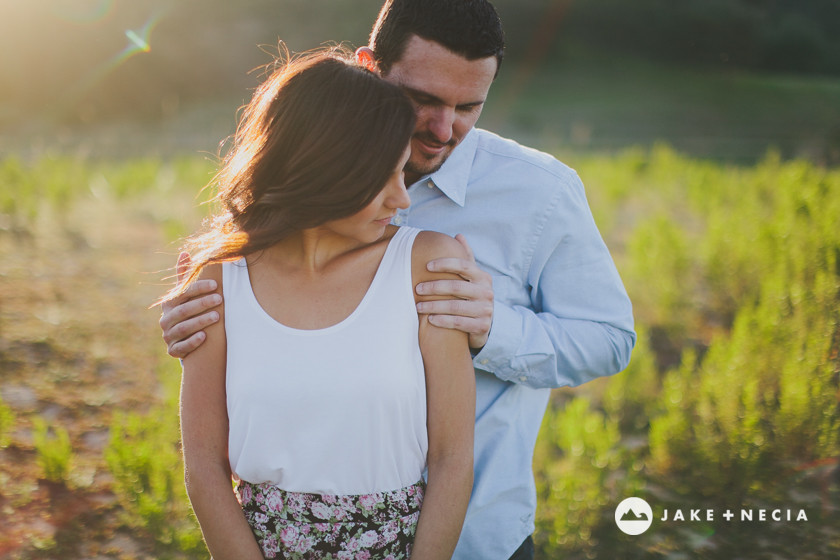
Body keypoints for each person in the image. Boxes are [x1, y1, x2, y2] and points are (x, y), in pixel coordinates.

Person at [160, 1, 636, 558]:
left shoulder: (539, 193)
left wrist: (490, 329)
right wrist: (196, 318)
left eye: (469, 107)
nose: (442, 129)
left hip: (478, 534)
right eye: (424, 101)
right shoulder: (304, 167)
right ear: (369, 67)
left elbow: (610, 339)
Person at [168, 49, 476, 559]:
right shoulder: (220, 281)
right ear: (328, 166)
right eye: (386, 176)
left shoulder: (427, 266)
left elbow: (452, 459)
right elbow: (202, 466)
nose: (402, 199)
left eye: (406, 174)